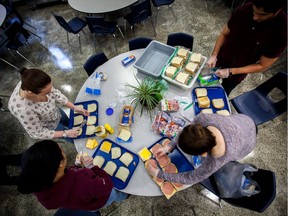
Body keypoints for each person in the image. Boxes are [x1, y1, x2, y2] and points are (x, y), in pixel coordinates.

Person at [17, 140, 128, 214]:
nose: (62, 149)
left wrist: (77, 166)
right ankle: (122, 196)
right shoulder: (84, 180)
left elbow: (66, 178)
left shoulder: (39, 182)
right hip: (100, 199)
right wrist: (92, 166)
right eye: (60, 149)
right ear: (60, 163)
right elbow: (107, 185)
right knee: (113, 194)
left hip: (84, 204)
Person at [147, 113, 256, 185]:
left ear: (203, 154)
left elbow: (191, 178)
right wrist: (169, 146)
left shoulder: (216, 161)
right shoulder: (204, 118)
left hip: (247, 140)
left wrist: (159, 174)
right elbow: (188, 130)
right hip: (244, 120)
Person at [206, 0, 287, 96]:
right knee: (204, 85)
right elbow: (224, 33)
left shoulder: (282, 32)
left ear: (278, 11)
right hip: (220, 59)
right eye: (254, 11)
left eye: (262, 14)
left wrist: (231, 72)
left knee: (220, 94)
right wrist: (214, 55)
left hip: (237, 73)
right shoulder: (244, 9)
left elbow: (262, 65)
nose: (255, 17)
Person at [8, 68, 89, 142]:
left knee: (70, 122)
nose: (51, 92)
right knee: (74, 138)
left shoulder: (32, 82)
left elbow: (55, 93)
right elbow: (37, 133)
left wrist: (74, 107)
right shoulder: (23, 109)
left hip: (55, 111)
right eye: (47, 93)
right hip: (50, 125)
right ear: (31, 93)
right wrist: (65, 133)